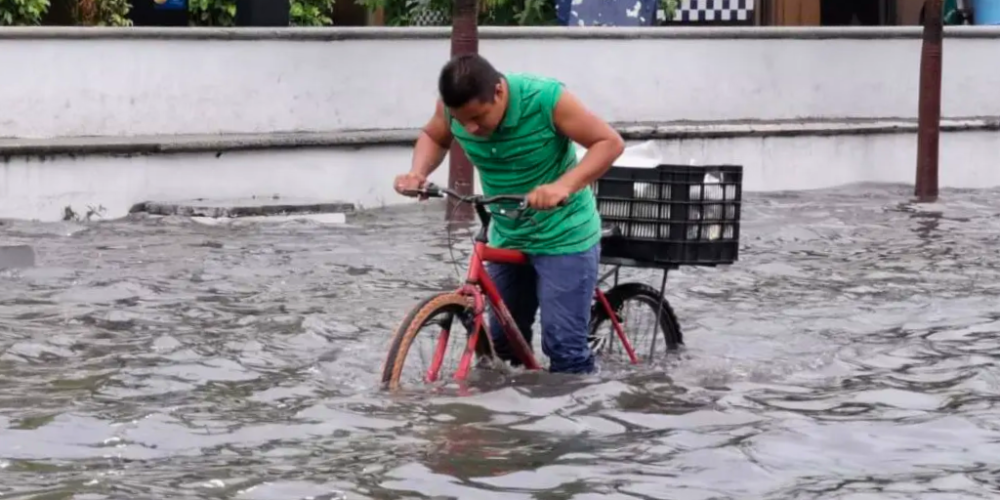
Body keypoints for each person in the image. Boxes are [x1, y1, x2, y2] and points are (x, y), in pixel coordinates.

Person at [393, 54, 625, 374]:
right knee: (503, 348)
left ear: (499, 92)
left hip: (564, 233)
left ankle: (579, 418)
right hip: (507, 232)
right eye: (462, 121)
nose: (470, 129)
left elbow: (609, 142)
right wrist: (417, 173)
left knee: (564, 351)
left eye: (478, 117)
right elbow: (434, 136)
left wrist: (563, 187)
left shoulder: (546, 99)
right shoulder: (452, 110)